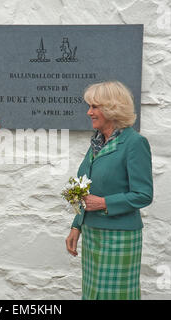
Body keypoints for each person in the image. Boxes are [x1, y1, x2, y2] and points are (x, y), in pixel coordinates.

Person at [65, 81, 153, 300]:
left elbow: (143, 194)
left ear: (112, 108)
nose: (89, 112)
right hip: (93, 233)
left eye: (95, 107)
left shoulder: (134, 143)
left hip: (119, 237)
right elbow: (82, 187)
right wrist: (77, 226)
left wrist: (104, 203)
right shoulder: (96, 143)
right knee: (93, 295)